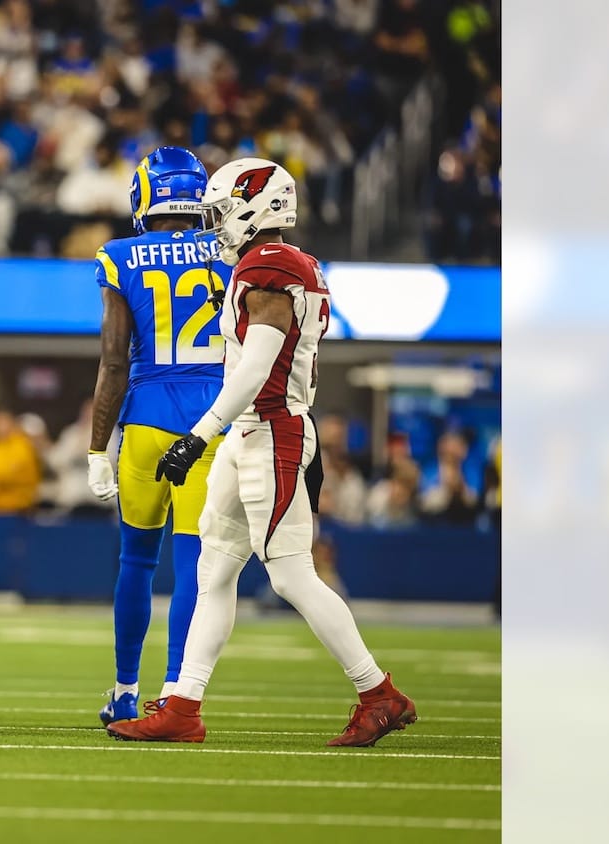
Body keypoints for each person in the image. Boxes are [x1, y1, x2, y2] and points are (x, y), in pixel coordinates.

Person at [110, 157, 417, 747]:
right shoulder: (280, 264)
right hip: (255, 432)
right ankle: (182, 705)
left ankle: (378, 692)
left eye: (223, 212)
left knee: (291, 574)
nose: (215, 225)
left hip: (269, 430)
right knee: (214, 567)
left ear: (255, 209)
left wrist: (199, 434)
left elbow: (256, 367)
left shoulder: (270, 264)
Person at [83, 147, 228, 725]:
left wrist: (98, 446)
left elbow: (114, 362)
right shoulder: (231, 253)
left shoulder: (120, 256)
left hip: (144, 423)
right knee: (195, 566)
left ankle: (122, 688)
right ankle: (175, 691)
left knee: (136, 562)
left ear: (146, 194)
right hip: (212, 425)